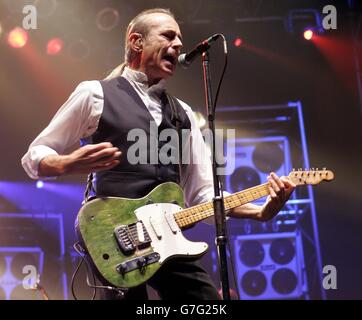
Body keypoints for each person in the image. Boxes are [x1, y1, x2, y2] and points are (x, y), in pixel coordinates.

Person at [21, 8, 295, 300]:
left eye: (180, 38)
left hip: (168, 239)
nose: (178, 44)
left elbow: (203, 196)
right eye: (168, 35)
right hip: (114, 238)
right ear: (136, 41)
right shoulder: (95, 94)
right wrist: (66, 163)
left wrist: (261, 212)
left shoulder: (184, 114)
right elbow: (35, 155)